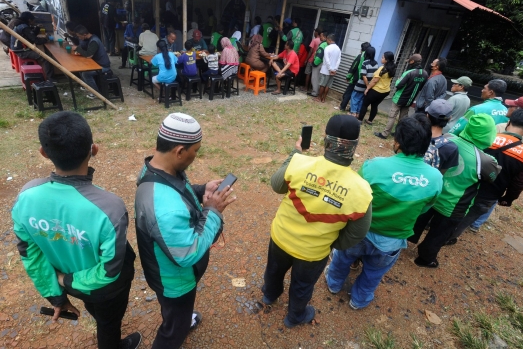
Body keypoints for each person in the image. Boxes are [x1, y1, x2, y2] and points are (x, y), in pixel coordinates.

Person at [12, 111, 141, 349]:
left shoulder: (25, 198)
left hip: (69, 283)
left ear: (44, 153)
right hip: (102, 289)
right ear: (94, 149)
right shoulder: (109, 207)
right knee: (108, 321)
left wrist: (57, 294)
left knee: (97, 312)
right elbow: (110, 271)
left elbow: (30, 255)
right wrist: (67, 281)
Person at [135, 112, 236, 348]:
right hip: (175, 281)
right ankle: (176, 329)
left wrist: (201, 190)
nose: (196, 156)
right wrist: (213, 211)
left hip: (162, 270)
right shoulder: (166, 209)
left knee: (173, 312)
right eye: (195, 151)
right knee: (173, 331)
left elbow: (177, 190)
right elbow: (188, 253)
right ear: (180, 151)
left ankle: (179, 319)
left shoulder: (156, 170)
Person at [261, 115, 373, 327]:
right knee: (303, 286)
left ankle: (269, 295)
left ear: (326, 141)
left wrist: (296, 152)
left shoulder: (300, 163)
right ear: (354, 147)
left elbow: (277, 185)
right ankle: (294, 317)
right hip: (313, 253)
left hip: (281, 238)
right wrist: (332, 243)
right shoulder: (361, 190)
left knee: (273, 271)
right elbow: (357, 232)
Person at [325, 115, 442, 310]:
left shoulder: (374, 166)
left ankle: (333, 284)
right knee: (373, 273)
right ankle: (359, 300)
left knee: (342, 259)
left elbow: (355, 197)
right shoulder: (435, 178)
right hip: (392, 240)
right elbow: (426, 208)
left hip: (359, 232)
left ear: (397, 142)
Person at [408, 114, 498, 268]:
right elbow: (491, 178)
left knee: (418, 220)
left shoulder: (447, 138)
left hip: (431, 194)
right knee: (439, 233)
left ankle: (407, 240)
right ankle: (425, 258)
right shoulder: (486, 161)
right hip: (453, 205)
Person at [448, 109, 523, 239]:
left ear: (509, 122)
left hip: (467, 185)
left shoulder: (488, 138)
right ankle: (450, 237)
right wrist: (508, 199)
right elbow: (519, 182)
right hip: (490, 195)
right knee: (467, 219)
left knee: (452, 210)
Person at [375, 54, 428, 139]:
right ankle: (398, 133)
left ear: (412, 61)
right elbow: (421, 87)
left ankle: (385, 134)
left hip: (399, 98)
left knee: (392, 116)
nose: (408, 63)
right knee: (403, 118)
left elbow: (398, 85)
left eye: (409, 62)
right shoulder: (425, 74)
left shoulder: (408, 73)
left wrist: (399, 79)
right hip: (409, 100)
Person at [10, 11, 55, 81]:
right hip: (21, 51)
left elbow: (31, 35)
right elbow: (36, 40)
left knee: (45, 53)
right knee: (46, 58)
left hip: (19, 49)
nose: (34, 21)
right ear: (29, 20)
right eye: (33, 20)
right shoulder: (24, 27)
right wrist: (46, 39)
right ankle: (50, 79)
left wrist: (37, 28)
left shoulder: (20, 24)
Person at [358, 51, 397, 124]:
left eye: (382, 58)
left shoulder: (382, 68)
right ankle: (370, 121)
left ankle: (359, 120)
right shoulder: (392, 68)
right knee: (375, 105)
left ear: (387, 60)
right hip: (385, 91)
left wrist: (367, 88)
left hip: (376, 90)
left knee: (365, 104)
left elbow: (374, 81)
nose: (381, 59)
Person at [73, 25, 111, 100]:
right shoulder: (90, 38)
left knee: (86, 74)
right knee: (81, 70)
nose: (79, 38)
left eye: (79, 36)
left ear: (84, 35)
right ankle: (87, 85)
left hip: (103, 67)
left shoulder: (94, 41)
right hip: (97, 64)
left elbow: (89, 55)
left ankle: (96, 93)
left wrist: (77, 48)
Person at [422, 99, 459, 174]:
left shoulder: (413, 136)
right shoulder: (451, 148)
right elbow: (442, 173)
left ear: (427, 115)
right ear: (449, 118)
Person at [339, 42, 370, 112]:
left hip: (356, 79)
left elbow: (353, 67)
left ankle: (342, 107)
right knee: (358, 96)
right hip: (364, 81)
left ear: (362, 49)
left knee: (348, 93)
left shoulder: (360, 56)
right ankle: (353, 110)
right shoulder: (370, 58)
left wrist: (348, 77)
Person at [350, 47, 378, 117]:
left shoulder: (365, 63)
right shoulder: (376, 64)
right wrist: (368, 86)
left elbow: (363, 75)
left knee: (354, 97)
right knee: (362, 99)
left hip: (361, 84)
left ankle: (353, 112)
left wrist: (367, 85)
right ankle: (358, 113)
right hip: (369, 86)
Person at [314, 33, 341, 103]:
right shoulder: (338, 49)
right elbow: (338, 60)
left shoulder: (327, 48)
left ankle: (319, 98)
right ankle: (324, 98)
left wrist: (330, 69)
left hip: (326, 70)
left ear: (329, 40)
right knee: (328, 85)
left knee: (322, 84)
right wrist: (334, 69)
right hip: (333, 71)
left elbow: (326, 60)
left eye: (327, 40)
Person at [302, 28, 322, 93]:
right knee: (315, 75)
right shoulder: (322, 41)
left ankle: (306, 88)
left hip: (311, 59)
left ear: (316, 32)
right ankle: (313, 88)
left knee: (308, 73)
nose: (314, 33)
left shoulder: (314, 40)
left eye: (314, 32)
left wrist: (306, 59)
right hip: (317, 61)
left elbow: (310, 51)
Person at [310, 31, 328, 98]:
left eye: (321, 36)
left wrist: (314, 63)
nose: (320, 37)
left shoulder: (323, 44)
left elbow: (319, 55)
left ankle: (314, 92)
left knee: (314, 77)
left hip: (318, 63)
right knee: (319, 78)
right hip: (323, 63)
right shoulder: (327, 44)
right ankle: (317, 91)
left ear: (325, 37)